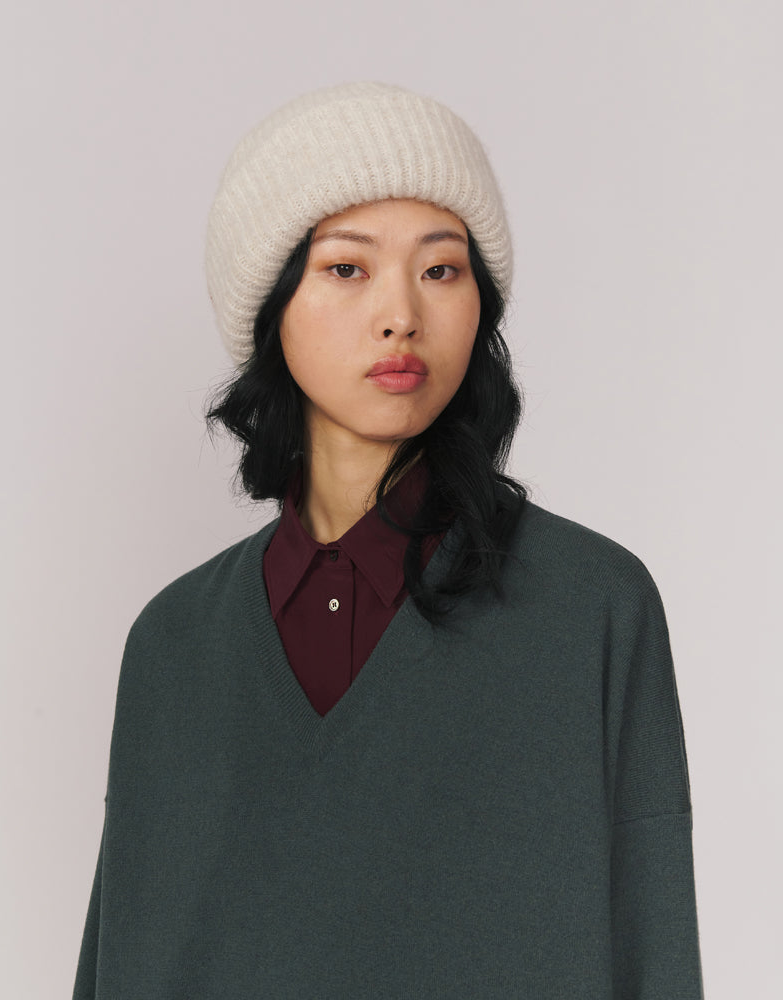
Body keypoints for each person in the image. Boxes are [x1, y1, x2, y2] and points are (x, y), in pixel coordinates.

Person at [73, 82, 703, 998]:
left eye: (441, 270)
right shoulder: (172, 646)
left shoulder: (595, 608)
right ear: (270, 303)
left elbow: (656, 955)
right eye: (346, 268)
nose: (401, 313)